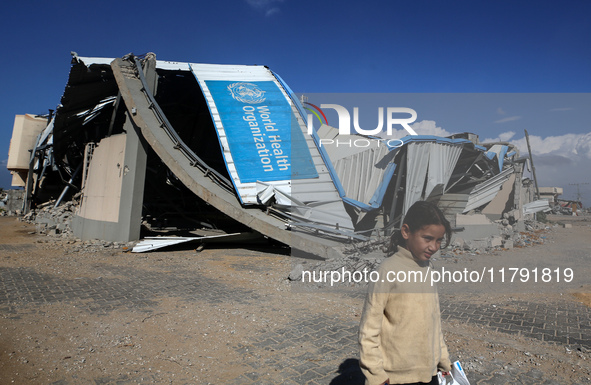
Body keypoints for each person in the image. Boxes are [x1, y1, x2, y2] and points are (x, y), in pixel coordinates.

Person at [358, 200, 452, 385]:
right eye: (427, 238)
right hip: (396, 378)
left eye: (438, 240)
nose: (434, 247)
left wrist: (443, 360)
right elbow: (369, 329)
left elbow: (434, 321)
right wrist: (376, 374)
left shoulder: (427, 269)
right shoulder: (387, 271)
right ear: (406, 232)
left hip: (429, 373)